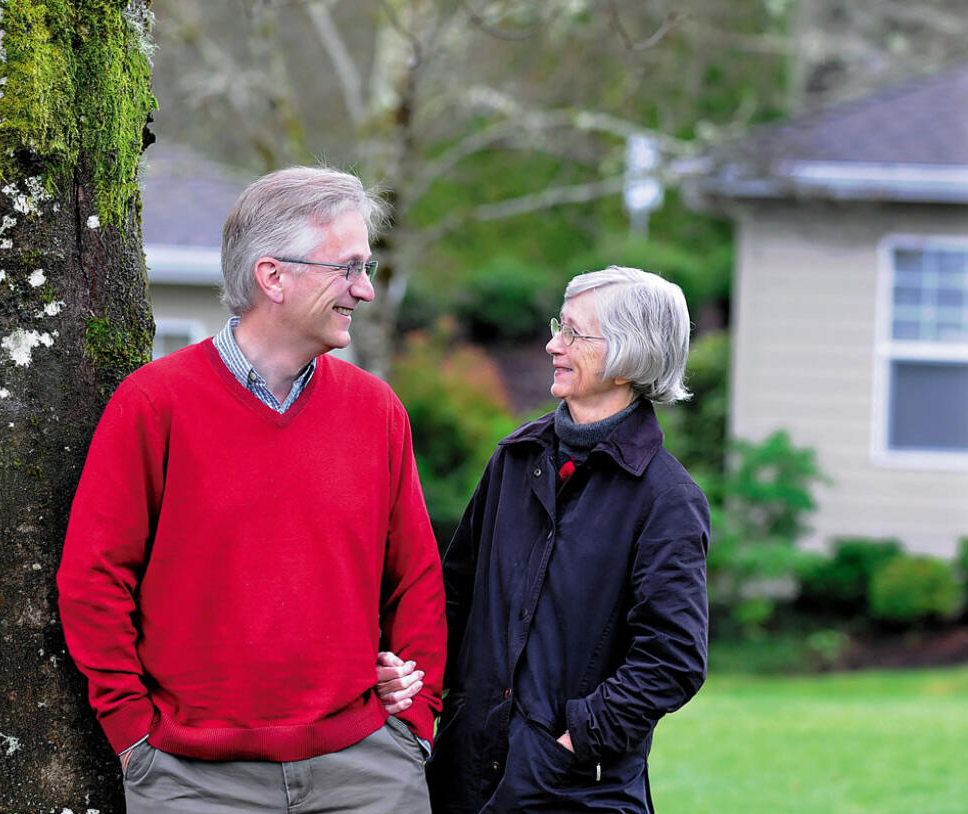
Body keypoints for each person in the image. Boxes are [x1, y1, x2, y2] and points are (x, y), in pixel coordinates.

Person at [57, 166, 445, 813]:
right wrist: (135, 736)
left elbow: (417, 579)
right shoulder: (154, 405)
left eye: (366, 267)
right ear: (273, 276)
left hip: (366, 772)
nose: (365, 290)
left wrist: (416, 723)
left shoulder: (375, 410)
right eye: (347, 268)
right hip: (192, 779)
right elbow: (93, 578)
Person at [425, 266, 710, 813]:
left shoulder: (667, 499)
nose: (554, 343)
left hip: (578, 791)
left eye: (575, 333)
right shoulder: (515, 458)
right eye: (561, 324)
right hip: (463, 779)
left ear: (631, 354)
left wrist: (573, 742)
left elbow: (672, 657)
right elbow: (454, 597)